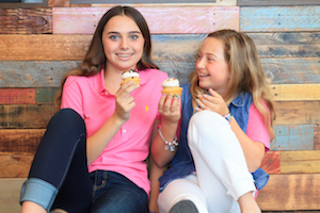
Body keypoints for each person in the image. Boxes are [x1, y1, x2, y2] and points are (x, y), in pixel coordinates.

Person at [20, 5, 168, 213]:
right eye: (114, 37)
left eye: (133, 37)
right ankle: (32, 209)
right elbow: (76, 159)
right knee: (66, 118)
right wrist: (117, 118)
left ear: (144, 42)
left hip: (126, 185)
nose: (124, 45)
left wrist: (154, 203)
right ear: (102, 42)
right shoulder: (78, 84)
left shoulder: (159, 83)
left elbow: (159, 158)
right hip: (78, 180)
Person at [151, 29, 276, 213]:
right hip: (184, 181)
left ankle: (245, 199)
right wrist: (170, 122)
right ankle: (244, 203)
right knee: (186, 201)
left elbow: (251, 163)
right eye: (199, 57)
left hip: (228, 189)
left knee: (204, 118)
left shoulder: (253, 104)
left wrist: (226, 117)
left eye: (209, 59)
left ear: (234, 69)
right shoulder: (181, 96)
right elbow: (160, 160)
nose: (199, 64)